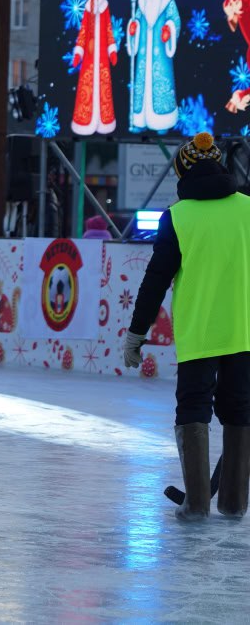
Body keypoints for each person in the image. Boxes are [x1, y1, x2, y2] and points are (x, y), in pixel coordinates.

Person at [125, 132, 250, 521]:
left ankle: (197, 505)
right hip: (243, 333)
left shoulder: (177, 217)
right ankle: (234, 502)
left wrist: (136, 333)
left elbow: (155, 279)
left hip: (199, 334)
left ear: (182, 173)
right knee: (240, 412)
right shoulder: (247, 209)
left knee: (193, 410)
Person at [126, 0, 182, 132]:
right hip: (144, 52)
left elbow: (176, 20)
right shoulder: (142, 0)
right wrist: (132, 28)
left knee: (160, 83)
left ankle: (162, 121)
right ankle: (140, 120)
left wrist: (169, 28)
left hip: (160, 54)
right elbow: (135, 21)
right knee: (142, 84)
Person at [71, 0, 118, 135]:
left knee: (103, 87)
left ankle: (104, 122)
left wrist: (112, 49)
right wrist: (78, 53)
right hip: (90, 58)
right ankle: (84, 122)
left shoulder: (105, 6)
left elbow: (108, 29)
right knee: (88, 86)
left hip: (102, 59)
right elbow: (83, 31)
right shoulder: (88, 8)